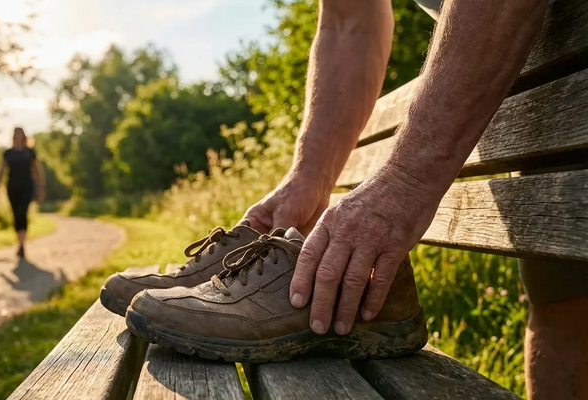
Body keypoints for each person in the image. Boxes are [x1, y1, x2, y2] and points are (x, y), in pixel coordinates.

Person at [238, 0, 586, 399]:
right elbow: (349, 22)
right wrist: (308, 177)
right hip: (541, 85)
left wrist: (404, 180)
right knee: (561, 302)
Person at [0, 127, 45, 258]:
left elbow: (37, 170)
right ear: (13, 137)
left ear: (23, 137)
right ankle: (20, 243)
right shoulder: (8, 153)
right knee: (16, 214)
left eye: (20, 135)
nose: (18, 138)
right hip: (12, 188)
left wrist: (41, 187)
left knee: (22, 213)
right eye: (16, 135)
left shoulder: (29, 152)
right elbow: (2, 169)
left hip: (26, 188)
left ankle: (22, 245)